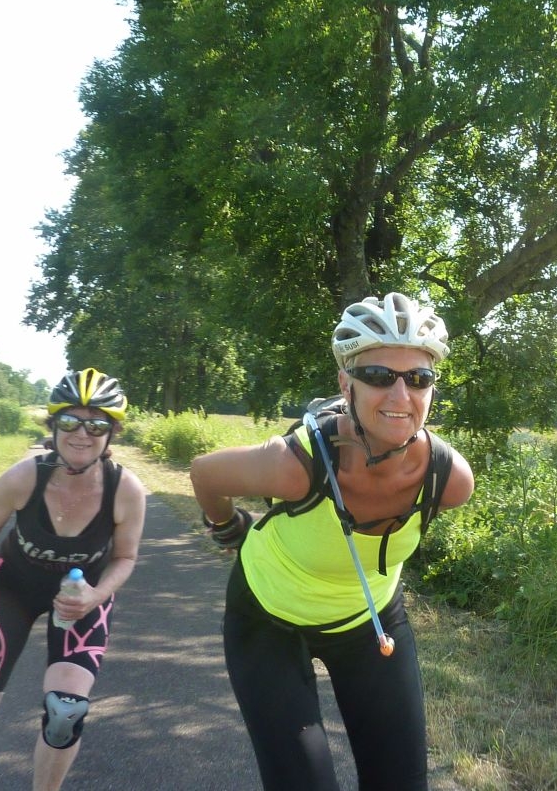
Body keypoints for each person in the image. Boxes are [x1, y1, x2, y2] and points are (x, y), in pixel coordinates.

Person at [190, 292, 475, 791]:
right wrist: (227, 527)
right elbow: (204, 473)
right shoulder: (295, 465)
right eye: (378, 376)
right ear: (346, 384)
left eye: (418, 378)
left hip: (370, 621)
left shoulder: (448, 480)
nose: (400, 395)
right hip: (268, 620)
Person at [0, 368, 147, 791]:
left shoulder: (125, 490)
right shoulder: (23, 477)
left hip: (82, 599)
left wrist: (96, 596)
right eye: (70, 421)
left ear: (112, 433)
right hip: (13, 592)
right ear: (53, 425)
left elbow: (125, 557)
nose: (82, 434)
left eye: (97, 425)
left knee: (65, 714)